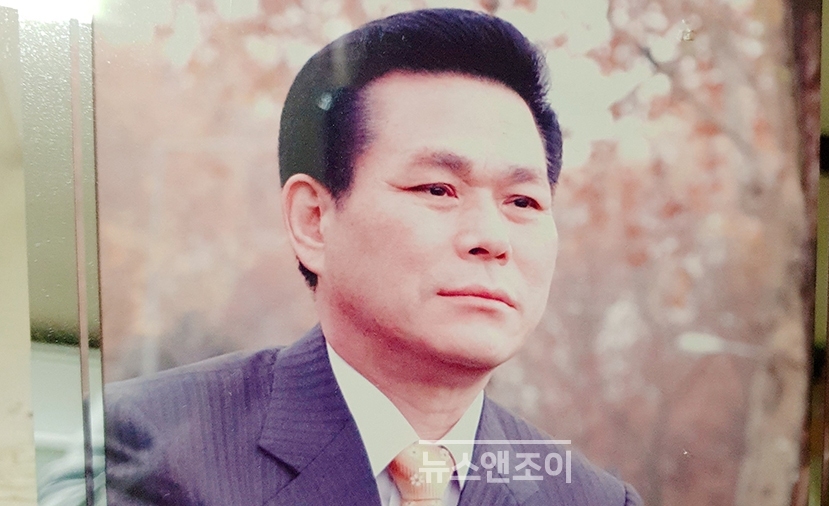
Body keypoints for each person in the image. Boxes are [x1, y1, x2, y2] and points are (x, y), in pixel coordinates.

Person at [104, 8, 642, 505]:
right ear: (313, 220)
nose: (491, 238)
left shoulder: (592, 499)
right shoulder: (144, 451)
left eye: (522, 202)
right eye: (437, 189)